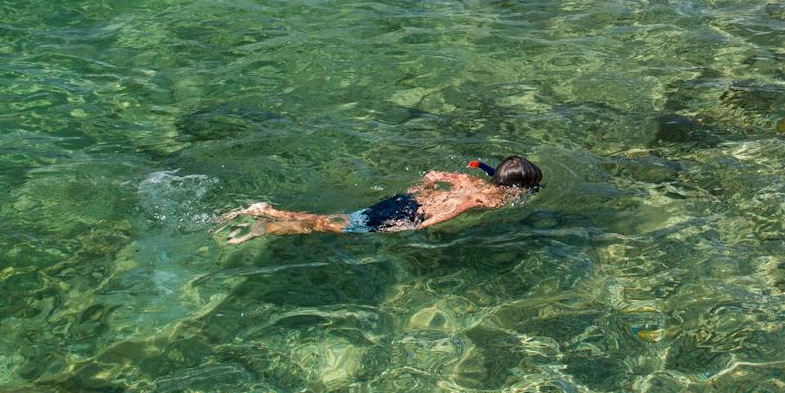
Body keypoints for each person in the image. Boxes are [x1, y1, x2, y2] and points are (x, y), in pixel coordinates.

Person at [217, 156, 543, 244]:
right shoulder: (492, 199)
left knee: (340, 223)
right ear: (518, 187)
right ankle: (267, 212)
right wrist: (421, 226)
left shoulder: (472, 179)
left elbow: (436, 174)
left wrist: (425, 185)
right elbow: (463, 205)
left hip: (407, 199)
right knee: (337, 224)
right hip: (410, 216)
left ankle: (267, 227)